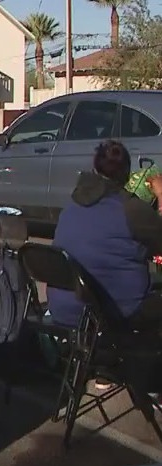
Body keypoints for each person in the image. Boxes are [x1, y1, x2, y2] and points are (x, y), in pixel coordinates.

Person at [48, 140, 162, 391]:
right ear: (127, 173)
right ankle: (152, 380)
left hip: (64, 309)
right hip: (112, 312)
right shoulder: (130, 208)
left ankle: (106, 368)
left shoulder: (72, 205)